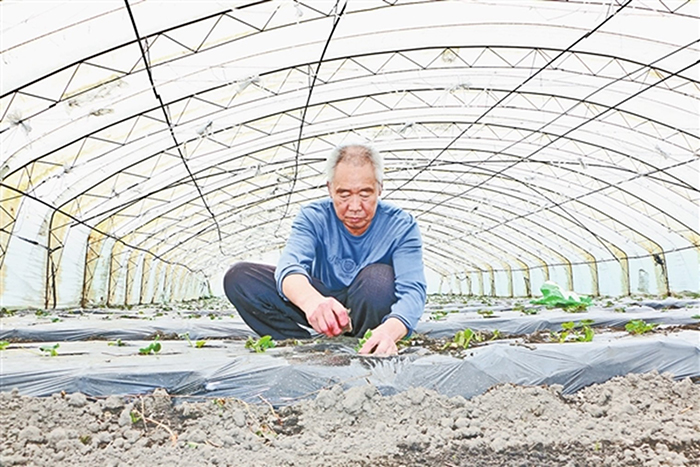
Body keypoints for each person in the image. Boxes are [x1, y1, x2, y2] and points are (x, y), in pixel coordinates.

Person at [223, 143, 426, 355]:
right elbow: (290, 266)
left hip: (369, 303)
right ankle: (303, 348)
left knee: (379, 279)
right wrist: (312, 302)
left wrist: (390, 330)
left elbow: (412, 290)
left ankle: (367, 345)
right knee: (240, 278)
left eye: (365, 194)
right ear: (330, 189)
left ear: (380, 188)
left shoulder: (401, 226)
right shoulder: (313, 217)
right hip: (323, 298)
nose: (355, 206)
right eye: (344, 194)